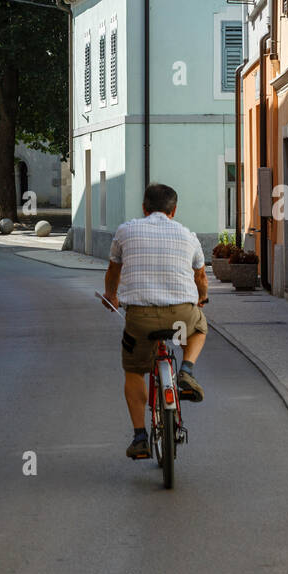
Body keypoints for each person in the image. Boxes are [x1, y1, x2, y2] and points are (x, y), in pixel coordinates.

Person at [103, 181, 208, 460]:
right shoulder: (188, 235)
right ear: (174, 211)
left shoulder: (126, 231)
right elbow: (200, 277)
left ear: (144, 208)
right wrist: (201, 299)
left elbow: (114, 268)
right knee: (199, 327)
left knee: (135, 370)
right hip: (181, 316)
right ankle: (186, 370)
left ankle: (140, 438)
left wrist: (111, 295)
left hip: (140, 317)